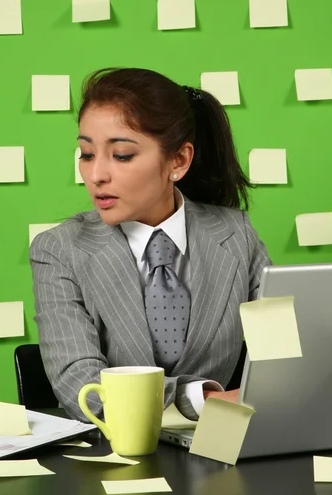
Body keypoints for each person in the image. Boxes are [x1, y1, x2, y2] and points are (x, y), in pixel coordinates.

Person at [30, 67, 271, 422]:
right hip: (113, 459)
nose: (97, 175)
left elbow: (283, 357)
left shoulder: (236, 235)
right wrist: (202, 400)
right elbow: (82, 389)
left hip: (221, 454)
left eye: (122, 155)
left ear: (178, 160)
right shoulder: (59, 250)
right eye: (86, 154)